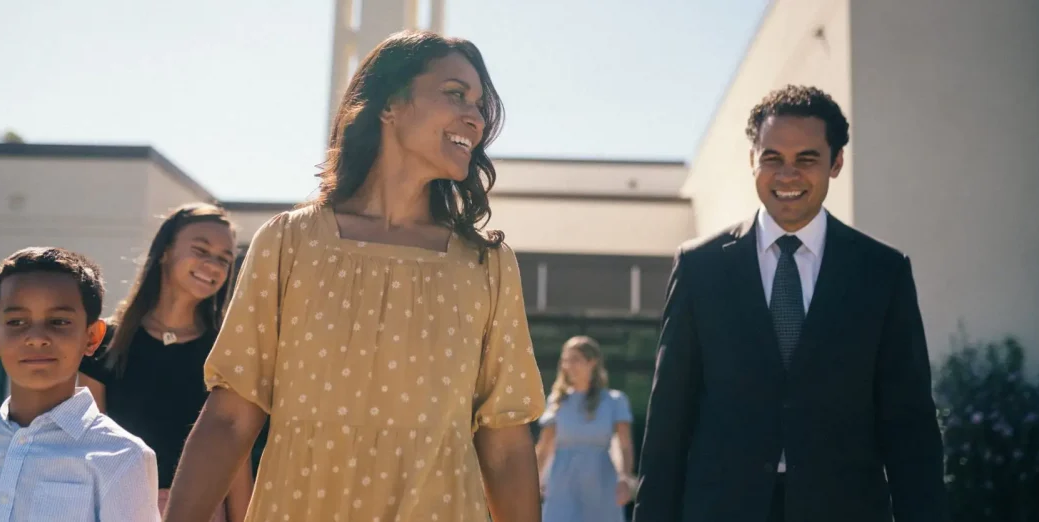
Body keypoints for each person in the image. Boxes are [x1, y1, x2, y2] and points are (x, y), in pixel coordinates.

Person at [162, 30, 545, 522]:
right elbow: (231, 417)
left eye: (480, 104)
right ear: (389, 105)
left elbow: (507, 444)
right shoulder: (289, 243)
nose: (474, 117)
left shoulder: (487, 266)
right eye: (455, 94)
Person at [632, 85, 947, 522]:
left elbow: (909, 424)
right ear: (752, 160)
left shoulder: (882, 272)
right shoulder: (699, 267)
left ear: (836, 163)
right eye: (772, 158)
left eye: (807, 159)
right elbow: (668, 422)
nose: (787, 175)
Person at [0, 247, 159, 522]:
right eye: (17, 322)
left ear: (92, 337)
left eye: (59, 322)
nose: (36, 338)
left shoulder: (122, 456)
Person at [78, 202, 252, 522]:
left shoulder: (228, 353)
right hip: (118, 509)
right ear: (165, 252)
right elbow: (89, 447)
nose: (212, 265)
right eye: (200, 250)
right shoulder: (103, 341)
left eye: (224, 259)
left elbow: (237, 457)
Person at [536, 336, 635, 522]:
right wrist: (532, 482)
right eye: (565, 360)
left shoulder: (615, 401)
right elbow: (544, 448)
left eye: (575, 360)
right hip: (561, 485)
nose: (568, 366)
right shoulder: (557, 401)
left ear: (592, 362)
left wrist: (624, 477)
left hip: (601, 484)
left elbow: (623, 445)